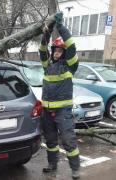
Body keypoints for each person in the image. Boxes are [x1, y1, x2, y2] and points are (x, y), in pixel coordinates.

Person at [39, 12, 80, 179]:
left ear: (64, 53)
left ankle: (75, 170)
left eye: (59, 50)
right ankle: (52, 165)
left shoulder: (70, 66)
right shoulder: (47, 65)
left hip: (63, 111)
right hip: (47, 111)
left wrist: (60, 27)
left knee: (69, 141)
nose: (56, 52)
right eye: (55, 49)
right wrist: (47, 32)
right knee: (51, 142)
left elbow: (71, 46)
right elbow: (42, 49)